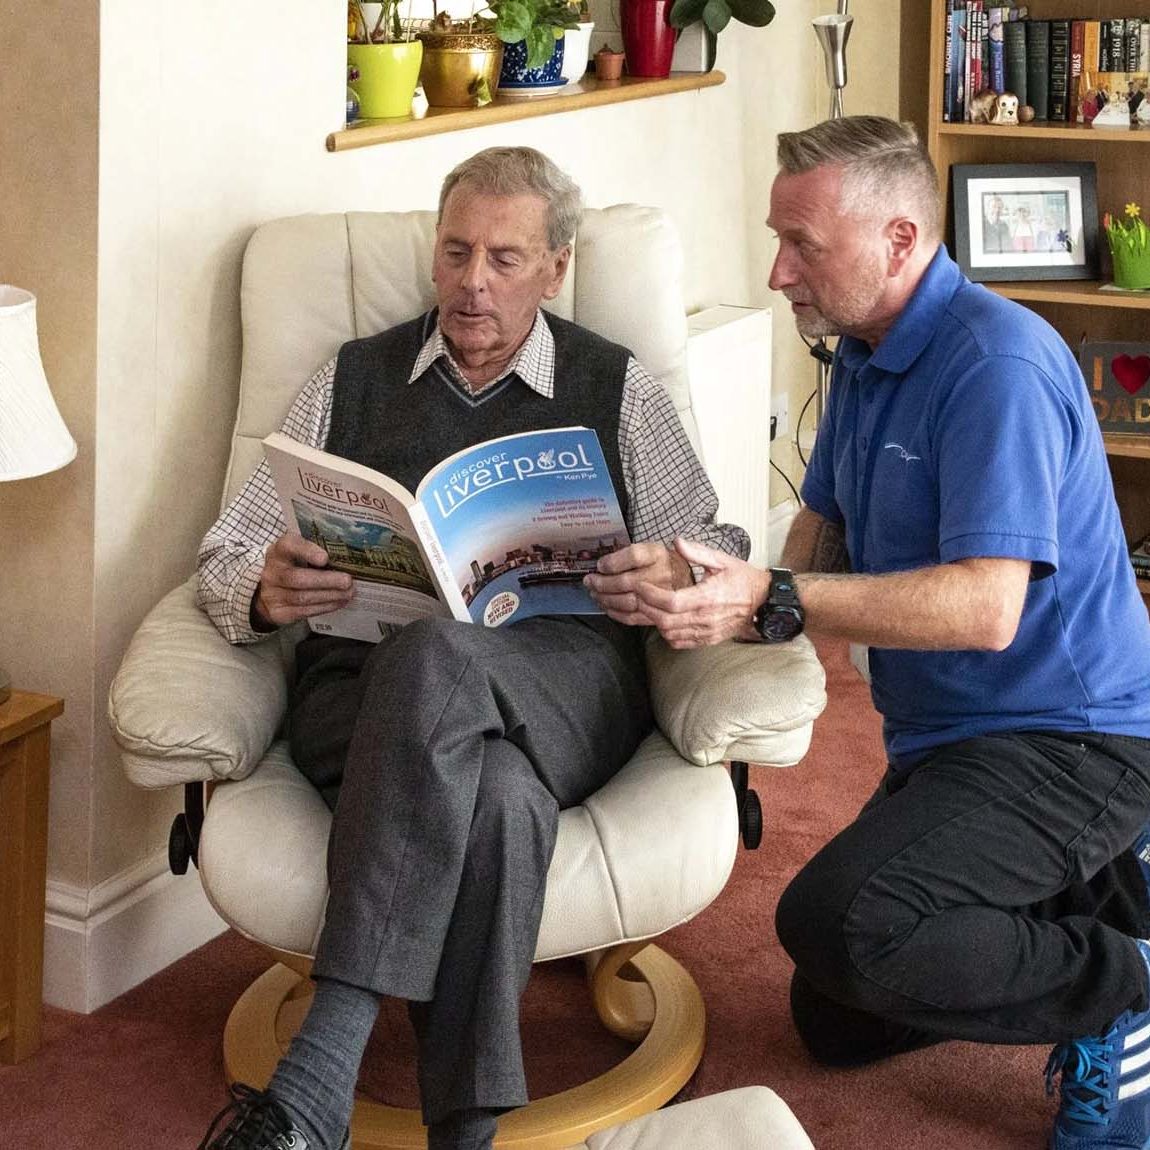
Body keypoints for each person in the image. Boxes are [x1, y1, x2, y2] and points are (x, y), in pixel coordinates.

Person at [193, 146, 749, 1150]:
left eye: (503, 257)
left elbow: (722, 547)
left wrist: (674, 569)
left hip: (565, 685)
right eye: (454, 253)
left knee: (444, 658)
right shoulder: (348, 379)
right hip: (362, 694)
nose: (471, 282)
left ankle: (323, 1059)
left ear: (556, 267)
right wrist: (263, 590)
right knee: (491, 787)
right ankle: (468, 1133)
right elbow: (226, 551)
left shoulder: (613, 385)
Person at [630, 116, 1150, 1150]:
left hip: (1072, 738)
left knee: (842, 923)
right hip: (948, 739)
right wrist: (701, 582)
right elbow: (813, 565)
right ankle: (1107, 888)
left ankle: (1122, 985)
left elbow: (983, 608)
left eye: (803, 245)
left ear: (901, 239)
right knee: (835, 1016)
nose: (777, 270)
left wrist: (773, 593)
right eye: (776, 239)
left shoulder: (993, 365)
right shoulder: (864, 354)